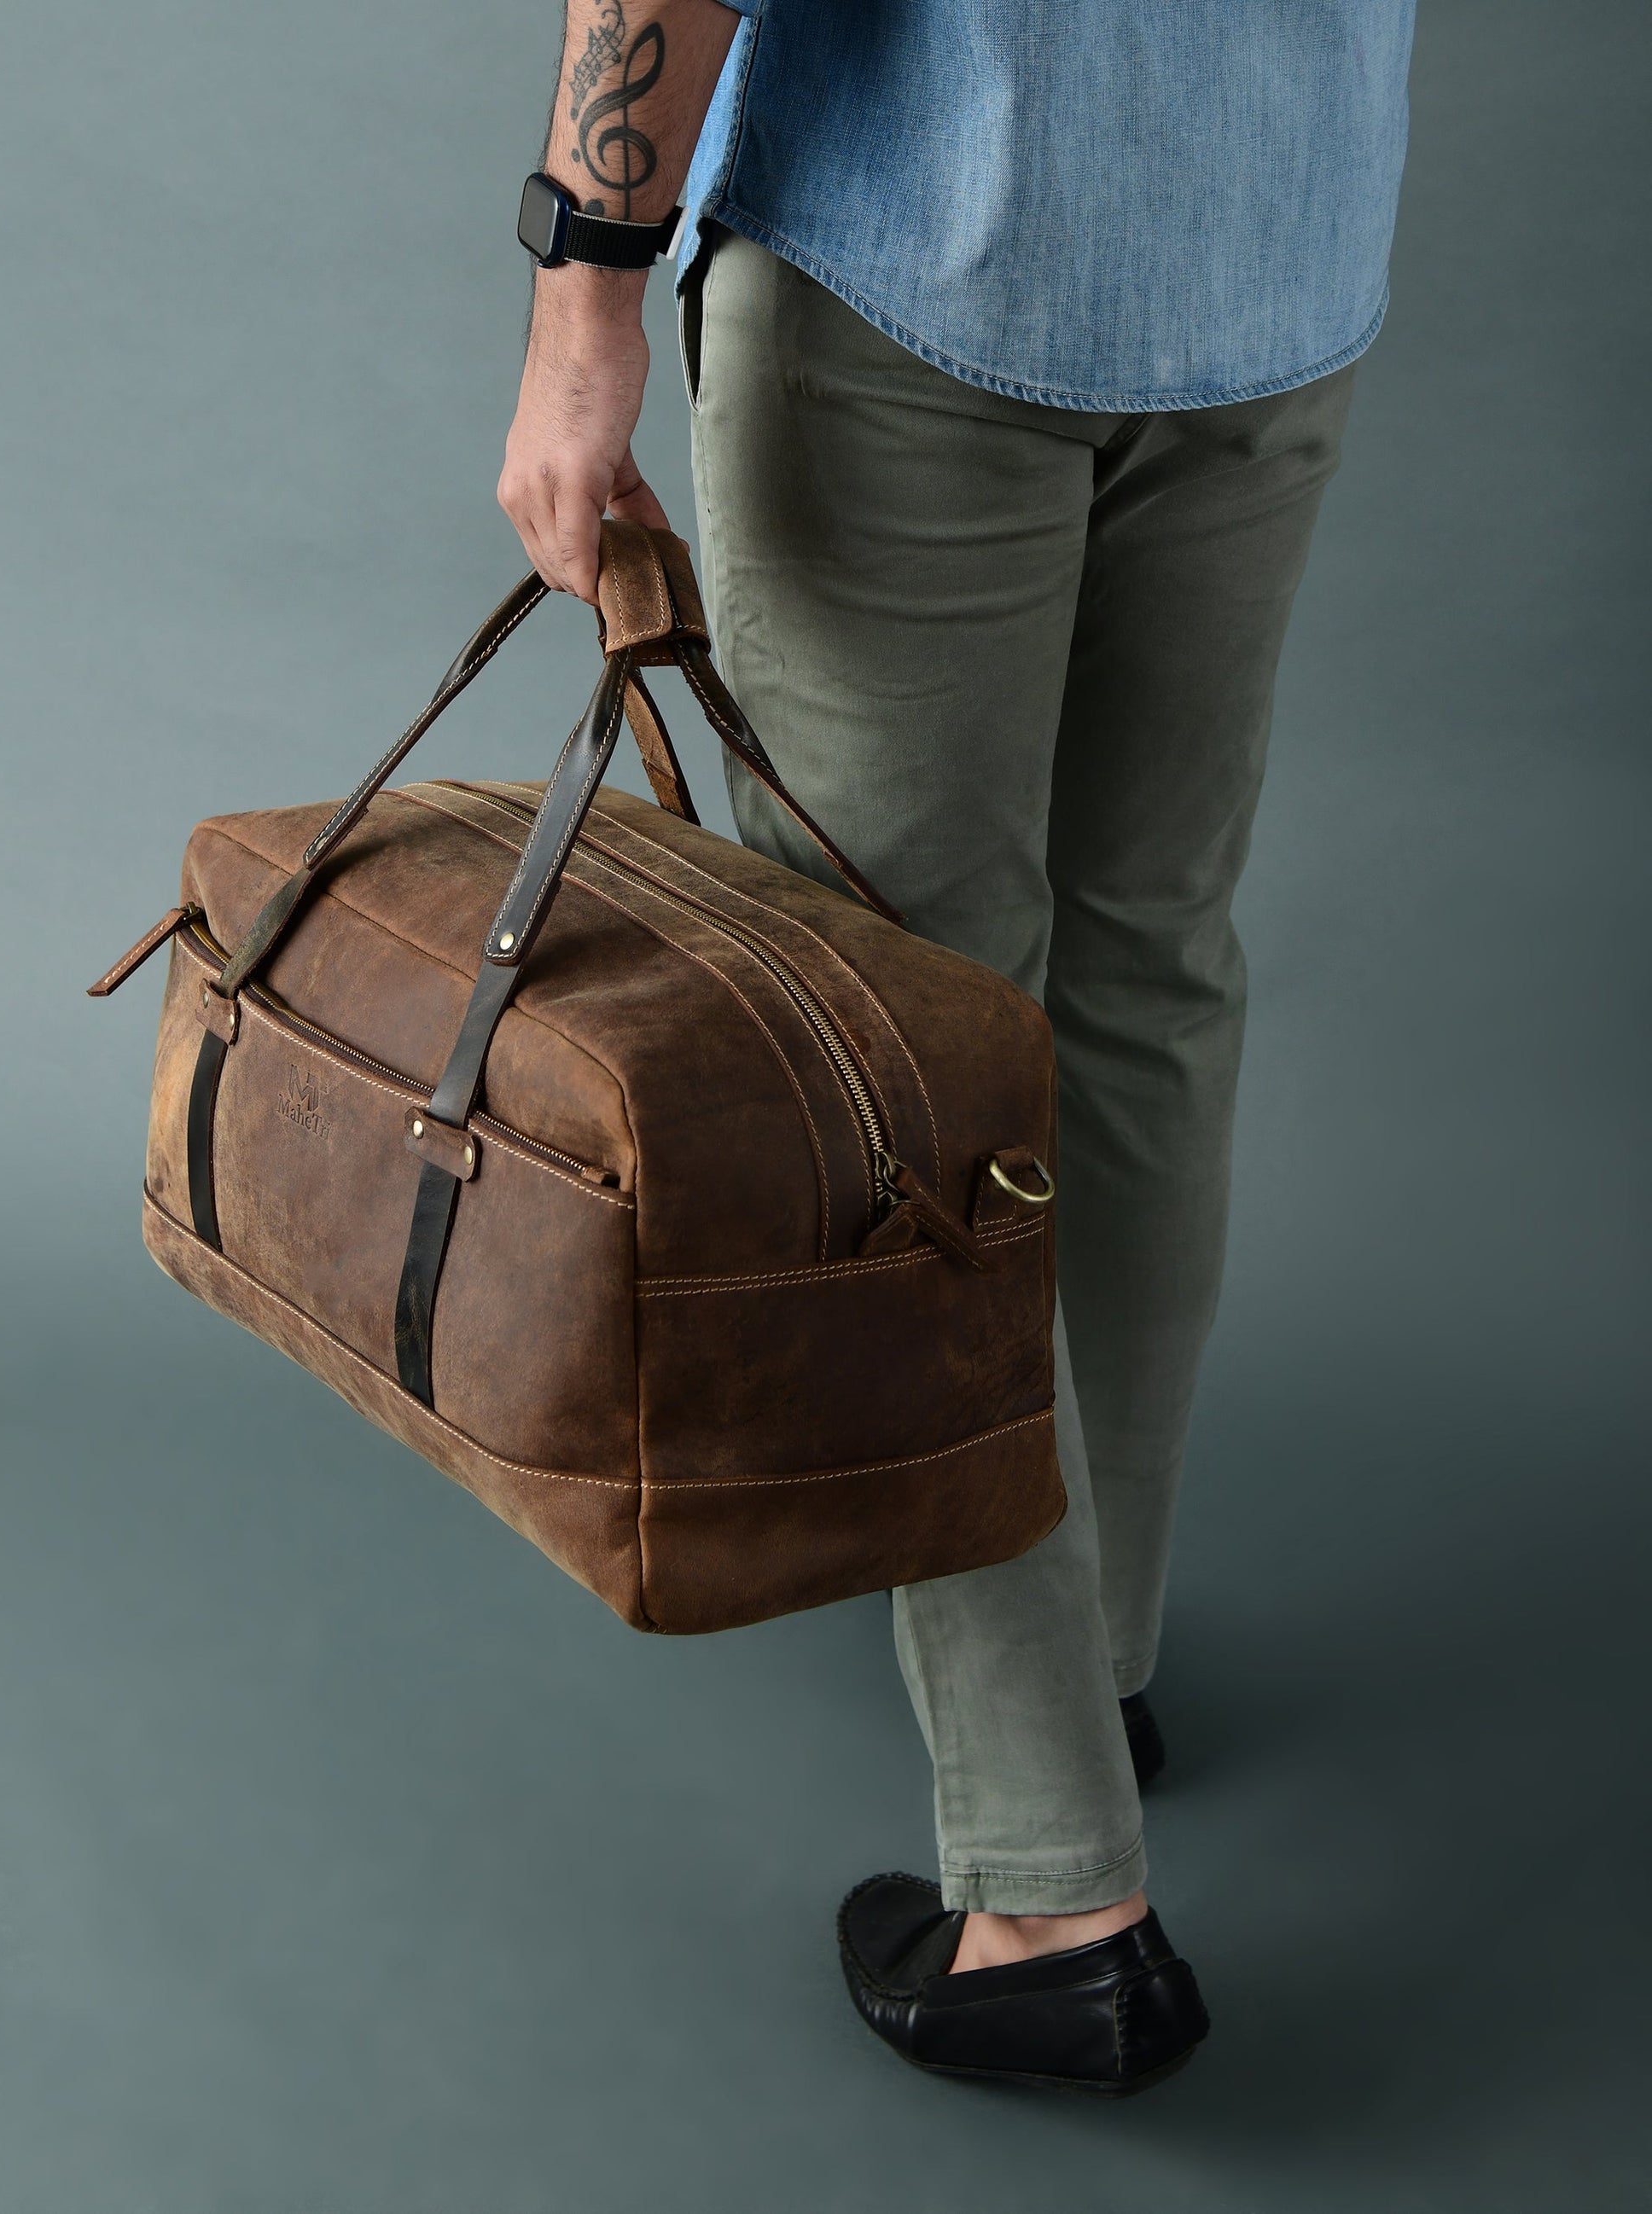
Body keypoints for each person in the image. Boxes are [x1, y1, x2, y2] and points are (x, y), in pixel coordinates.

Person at [500, 0, 1416, 2094]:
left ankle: (1050, 1897)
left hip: (926, 265)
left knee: (897, 1058)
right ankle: (1086, 1655)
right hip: (1271, 258)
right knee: (1147, 978)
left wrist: (582, 288)